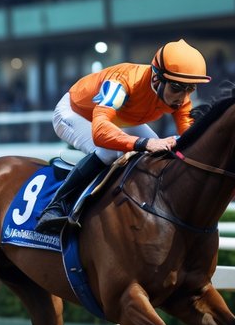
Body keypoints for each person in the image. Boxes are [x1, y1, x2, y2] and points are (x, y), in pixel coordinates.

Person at [35, 39, 210, 234]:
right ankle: (55, 207)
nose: (183, 96)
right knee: (110, 152)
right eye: (177, 88)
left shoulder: (178, 96)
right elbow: (100, 132)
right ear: (156, 79)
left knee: (160, 153)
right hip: (74, 113)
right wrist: (145, 143)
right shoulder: (122, 83)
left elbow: (189, 136)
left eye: (190, 88)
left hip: (121, 119)